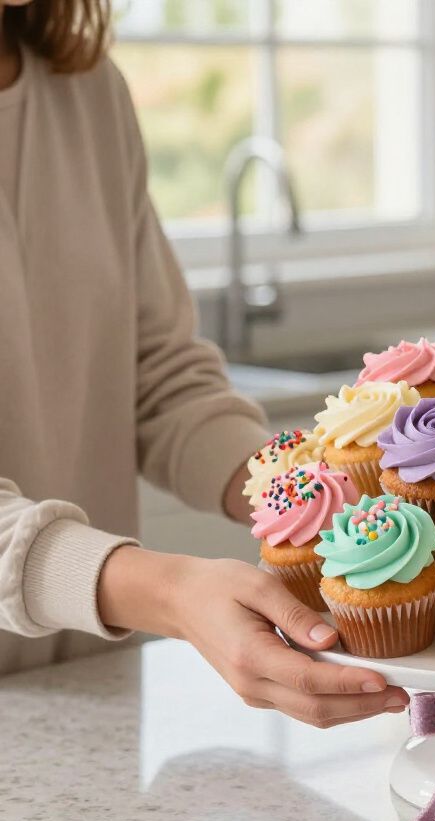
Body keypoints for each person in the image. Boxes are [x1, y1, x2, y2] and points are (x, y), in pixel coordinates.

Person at [0, 0, 409, 725]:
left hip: (88, 695)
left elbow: (156, 374)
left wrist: (306, 494)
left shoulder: (84, 89)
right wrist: (169, 593)